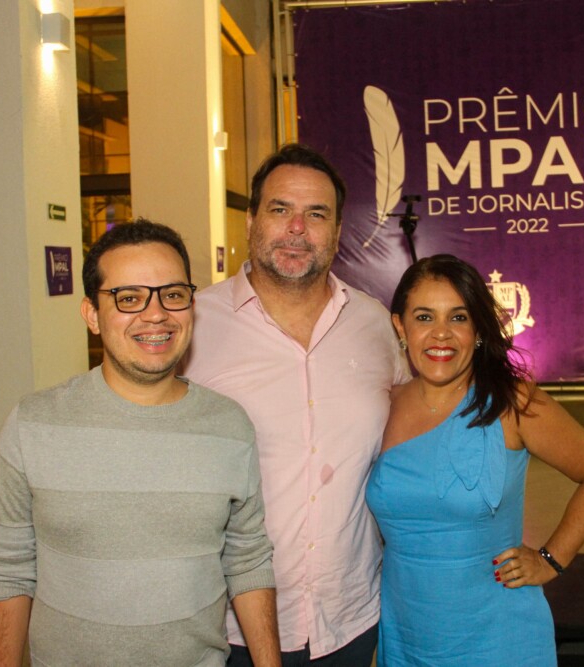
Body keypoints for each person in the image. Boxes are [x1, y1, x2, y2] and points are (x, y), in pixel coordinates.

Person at [0, 220, 280, 666]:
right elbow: (7, 569)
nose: (155, 314)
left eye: (172, 294)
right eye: (129, 298)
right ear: (91, 315)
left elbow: (247, 558)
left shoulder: (229, 426)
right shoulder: (33, 425)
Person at [181, 144, 409, 666]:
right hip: (226, 627)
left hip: (350, 619)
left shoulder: (374, 324)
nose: (297, 228)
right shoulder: (193, 324)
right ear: (250, 220)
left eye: (317, 214)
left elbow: (416, 424)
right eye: (280, 209)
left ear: (338, 230)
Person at [366, 254, 584, 665]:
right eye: (425, 317)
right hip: (408, 629)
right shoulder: (384, 404)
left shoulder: (511, 401)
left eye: (459, 318)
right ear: (400, 326)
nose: (441, 334)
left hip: (497, 632)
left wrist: (551, 560)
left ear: (479, 329)